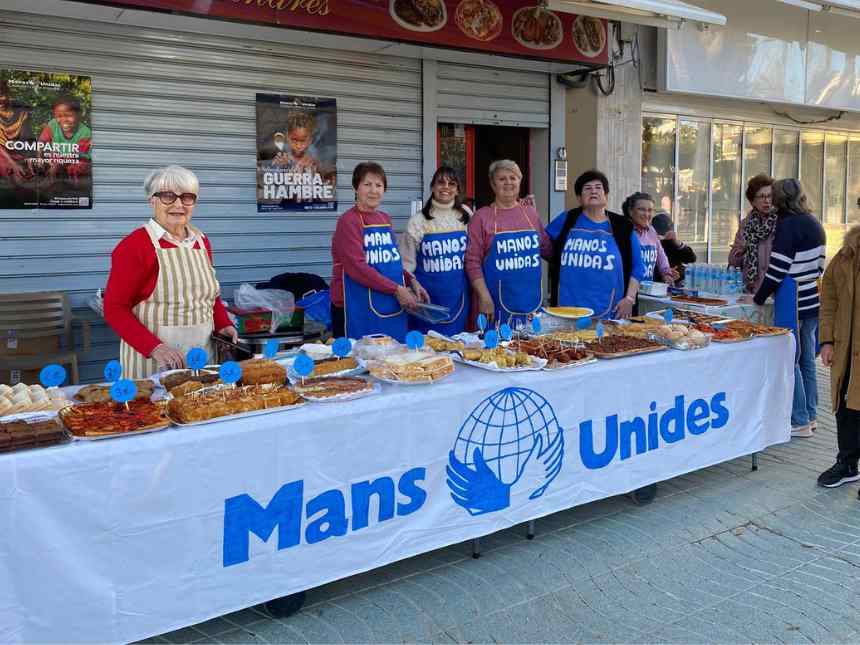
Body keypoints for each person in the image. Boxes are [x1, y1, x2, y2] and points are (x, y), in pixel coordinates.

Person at [104, 165, 238, 378]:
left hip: (203, 358)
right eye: (168, 196)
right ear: (152, 201)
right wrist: (155, 348)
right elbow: (114, 308)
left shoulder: (201, 242)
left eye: (187, 197)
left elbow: (210, 297)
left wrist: (223, 324)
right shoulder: (135, 246)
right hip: (153, 365)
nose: (178, 204)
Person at [750, 178, 826, 438]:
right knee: (807, 360)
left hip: (793, 299)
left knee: (789, 358)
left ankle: (800, 419)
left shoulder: (788, 225)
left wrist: (758, 298)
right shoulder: (814, 222)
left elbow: (777, 269)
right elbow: (819, 266)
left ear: (780, 199)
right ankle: (811, 415)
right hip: (812, 296)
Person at [330, 161, 428, 341]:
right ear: (356, 187)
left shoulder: (384, 218)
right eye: (367, 184)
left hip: (386, 302)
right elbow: (356, 267)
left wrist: (411, 281)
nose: (373, 190)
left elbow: (392, 263)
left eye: (379, 185)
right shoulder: (348, 221)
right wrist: (397, 289)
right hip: (354, 307)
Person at [465, 159, 552, 327]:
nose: (508, 182)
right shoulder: (481, 217)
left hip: (531, 304)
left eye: (513, 178)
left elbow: (547, 248)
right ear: (493, 184)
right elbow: (472, 261)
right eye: (502, 179)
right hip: (493, 306)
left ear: (520, 181)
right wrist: (484, 297)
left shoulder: (530, 213)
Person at [547, 170, 644, 319]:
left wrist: (629, 299)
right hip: (566, 309)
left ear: (606, 195)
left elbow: (638, 267)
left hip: (609, 312)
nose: (593, 191)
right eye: (587, 188)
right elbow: (543, 245)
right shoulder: (567, 219)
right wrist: (529, 213)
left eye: (598, 187)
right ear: (579, 198)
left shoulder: (622, 226)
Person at [400, 166, 472, 334]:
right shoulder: (417, 221)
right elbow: (405, 264)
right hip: (427, 300)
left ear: (457, 190)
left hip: (459, 299)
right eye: (440, 182)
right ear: (432, 187)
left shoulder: (467, 215)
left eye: (451, 183)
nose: (446, 187)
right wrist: (412, 285)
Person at [817, 224, 860, 489]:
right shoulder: (846, 255)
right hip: (846, 350)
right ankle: (847, 464)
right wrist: (827, 341)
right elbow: (829, 300)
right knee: (845, 407)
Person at [729, 174, 776, 294]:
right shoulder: (746, 224)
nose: (767, 200)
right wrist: (740, 251)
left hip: (775, 290)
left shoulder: (782, 222)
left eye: (770, 196)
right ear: (752, 201)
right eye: (761, 196)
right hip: (751, 290)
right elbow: (733, 262)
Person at [622, 192, 678, 285]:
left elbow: (661, 255)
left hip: (647, 289)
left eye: (650, 210)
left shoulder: (651, 230)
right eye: (642, 209)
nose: (646, 214)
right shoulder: (623, 231)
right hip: (628, 289)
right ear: (630, 211)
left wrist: (666, 273)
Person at [35, 95, 92, 182]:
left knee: (79, 166)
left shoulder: (85, 133)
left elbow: (75, 155)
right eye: (59, 116)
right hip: (58, 160)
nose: (64, 120)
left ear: (79, 115)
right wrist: (40, 159)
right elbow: (41, 142)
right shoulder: (53, 124)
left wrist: (58, 166)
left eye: (69, 115)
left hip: (76, 161)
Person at [0, 78, 33, 186]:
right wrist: (12, 164)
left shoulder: (21, 109)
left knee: (30, 173)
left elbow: (27, 138)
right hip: (2, 154)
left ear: (7, 93)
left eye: (1, 95)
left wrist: (29, 160)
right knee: (13, 174)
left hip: (17, 151)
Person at [652, 212, 696, 285]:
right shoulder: (650, 243)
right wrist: (665, 273)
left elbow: (691, 258)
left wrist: (677, 243)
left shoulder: (670, 242)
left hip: (677, 281)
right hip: (659, 283)